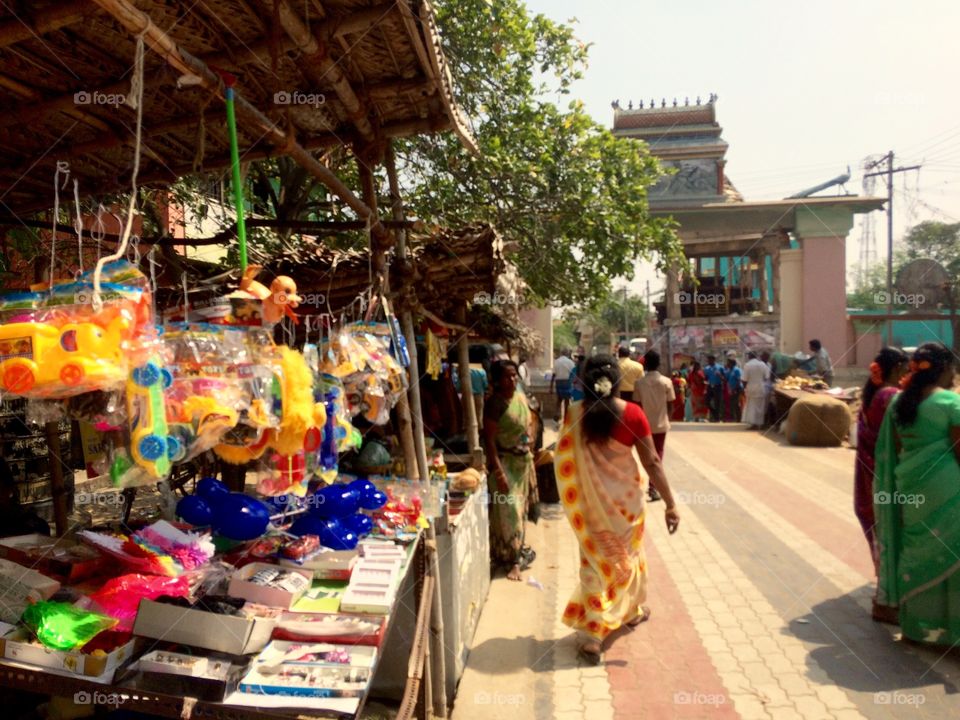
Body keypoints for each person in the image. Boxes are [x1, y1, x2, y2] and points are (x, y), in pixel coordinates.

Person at [554, 355, 680, 663]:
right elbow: (652, 462)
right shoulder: (633, 414)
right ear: (617, 383)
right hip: (626, 506)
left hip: (590, 506)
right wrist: (670, 503)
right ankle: (596, 632)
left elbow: (564, 457)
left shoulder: (573, 414)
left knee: (596, 564)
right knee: (627, 558)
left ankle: (618, 619)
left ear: (584, 382)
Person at [874, 342, 960, 643]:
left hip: (909, 487)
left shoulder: (898, 404)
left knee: (916, 549)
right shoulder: (950, 403)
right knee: (953, 557)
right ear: (946, 369)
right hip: (947, 488)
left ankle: (914, 628)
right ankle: (953, 633)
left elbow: (896, 450)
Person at [854, 347, 908, 622]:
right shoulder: (890, 396)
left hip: (869, 472)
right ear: (897, 367)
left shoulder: (872, 395)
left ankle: (884, 592)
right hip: (883, 473)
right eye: (905, 368)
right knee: (889, 532)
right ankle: (887, 598)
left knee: (880, 532)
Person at [483, 361, 538, 582]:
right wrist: (498, 472)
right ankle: (512, 558)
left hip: (522, 464)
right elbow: (489, 441)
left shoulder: (520, 397)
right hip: (504, 464)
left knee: (520, 512)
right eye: (507, 377)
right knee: (508, 513)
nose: (512, 380)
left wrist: (530, 440)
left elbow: (531, 420)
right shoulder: (494, 404)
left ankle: (513, 554)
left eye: (514, 376)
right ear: (496, 380)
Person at [634, 350, 675, 503]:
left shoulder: (639, 383)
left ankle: (652, 486)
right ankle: (653, 487)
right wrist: (668, 419)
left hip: (644, 425)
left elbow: (636, 404)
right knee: (658, 455)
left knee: (648, 456)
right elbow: (671, 404)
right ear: (658, 364)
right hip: (661, 424)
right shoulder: (666, 382)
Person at [742, 351, 770, 429]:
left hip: (750, 388)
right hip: (761, 388)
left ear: (750, 356)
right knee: (760, 407)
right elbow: (767, 377)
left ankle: (753, 424)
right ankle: (760, 424)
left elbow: (744, 379)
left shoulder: (747, 365)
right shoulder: (762, 364)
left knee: (751, 407)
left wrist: (744, 388)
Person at [550, 348, 576, 422]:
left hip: (559, 382)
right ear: (567, 354)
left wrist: (551, 387)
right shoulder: (570, 362)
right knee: (567, 401)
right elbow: (573, 374)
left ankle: (558, 414)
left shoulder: (556, 362)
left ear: (561, 353)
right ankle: (566, 418)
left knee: (559, 400)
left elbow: (553, 375)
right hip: (567, 383)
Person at [703, 354, 723, 422]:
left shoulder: (720, 367)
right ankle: (714, 413)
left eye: (710, 360)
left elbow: (724, 378)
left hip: (717, 386)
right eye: (708, 360)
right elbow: (706, 378)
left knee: (717, 402)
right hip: (709, 386)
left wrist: (719, 375)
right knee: (706, 402)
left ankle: (717, 418)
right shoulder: (706, 368)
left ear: (713, 360)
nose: (708, 361)